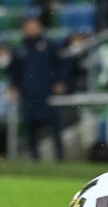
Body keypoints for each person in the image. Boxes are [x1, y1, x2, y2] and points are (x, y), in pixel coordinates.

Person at [8, 15, 66, 160]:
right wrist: (14, 87)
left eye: (34, 25)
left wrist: (60, 82)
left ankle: (59, 158)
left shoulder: (50, 46)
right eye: (28, 26)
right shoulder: (20, 49)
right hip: (28, 94)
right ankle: (34, 159)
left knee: (54, 127)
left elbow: (60, 66)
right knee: (31, 129)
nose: (31, 28)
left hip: (47, 93)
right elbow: (14, 71)